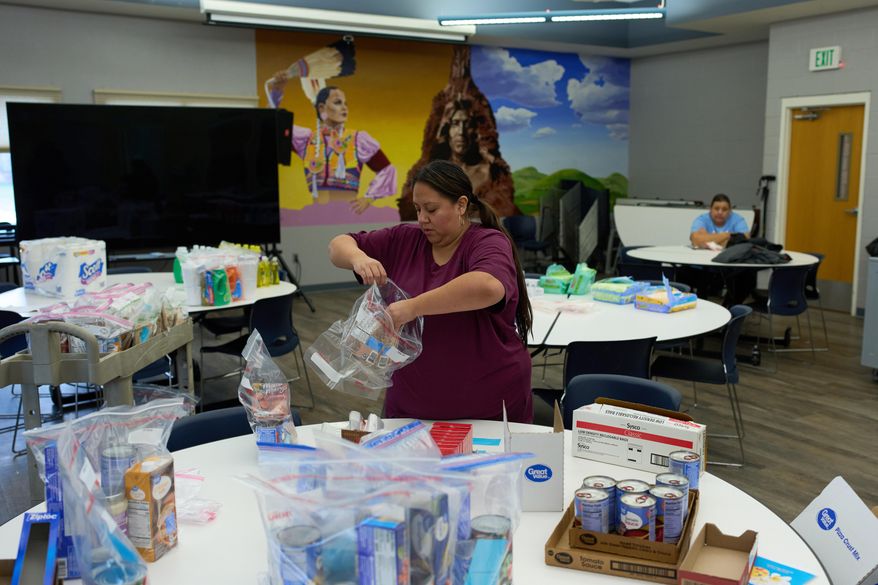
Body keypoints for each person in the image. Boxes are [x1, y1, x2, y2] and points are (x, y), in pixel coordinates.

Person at [328, 160, 533, 423]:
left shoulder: (488, 241)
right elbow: (338, 245)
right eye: (417, 209)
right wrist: (358, 257)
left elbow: (487, 286)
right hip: (412, 407)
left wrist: (411, 308)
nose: (422, 218)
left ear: (461, 205)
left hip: (487, 407)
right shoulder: (404, 240)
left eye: (432, 209)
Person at [270, 76, 397, 215]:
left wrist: (368, 198)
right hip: (316, 216)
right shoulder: (307, 140)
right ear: (322, 108)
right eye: (338, 102)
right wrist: (276, 92)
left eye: (345, 103)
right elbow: (273, 123)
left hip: (348, 216)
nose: (344, 108)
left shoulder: (358, 140)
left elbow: (387, 170)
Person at [687, 193, 755, 305]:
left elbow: (744, 239)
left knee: (748, 278)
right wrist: (728, 235)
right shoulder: (702, 219)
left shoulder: (737, 219)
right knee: (688, 274)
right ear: (710, 209)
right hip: (702, 266)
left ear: (730, 211)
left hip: (729, 266)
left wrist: (707, 238)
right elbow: (695, 239)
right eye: (716, 208)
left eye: (724, 209)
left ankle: (729, 309)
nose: (720, 212)